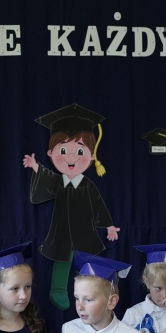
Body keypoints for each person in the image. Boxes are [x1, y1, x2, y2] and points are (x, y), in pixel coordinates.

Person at [22, 104, 120, 309]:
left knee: (83, 261)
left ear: (92, 156)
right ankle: (58, 289)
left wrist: (109, 225)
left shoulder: (88, 185)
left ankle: (86, 292)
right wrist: (35, 167)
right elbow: (47, 181)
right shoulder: (59, 182)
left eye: (80, 151)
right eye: (63, 150)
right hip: (62, 232)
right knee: (62, 259)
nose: (71, 157)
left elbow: (98, 204)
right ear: (51, 153)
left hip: (84, 231)